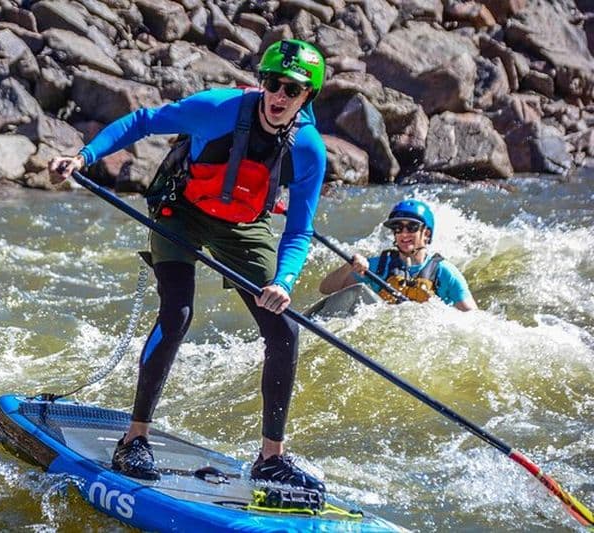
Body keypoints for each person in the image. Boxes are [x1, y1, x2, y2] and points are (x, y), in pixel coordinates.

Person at [49, 40, 328, 491]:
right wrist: (85, 157)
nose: (279, 97)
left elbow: (299, 229)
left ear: (307, 98)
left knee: (284, 329)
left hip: (243, 225)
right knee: (177, 314)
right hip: (181, 212)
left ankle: (270, 458)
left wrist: (284, 281)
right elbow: (143, 122)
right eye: (274, 84)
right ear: (262, 83)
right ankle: (135, 438)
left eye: (293, 90)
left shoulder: (310, 150)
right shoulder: (217, 108)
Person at [319, 200, 478, 311]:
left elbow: (472, 315)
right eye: (397, 228)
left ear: (426, 233)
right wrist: (349, 266)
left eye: (411, 227)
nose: (403, 233)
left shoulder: (444, 272)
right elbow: (326, 289)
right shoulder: (379, 266)